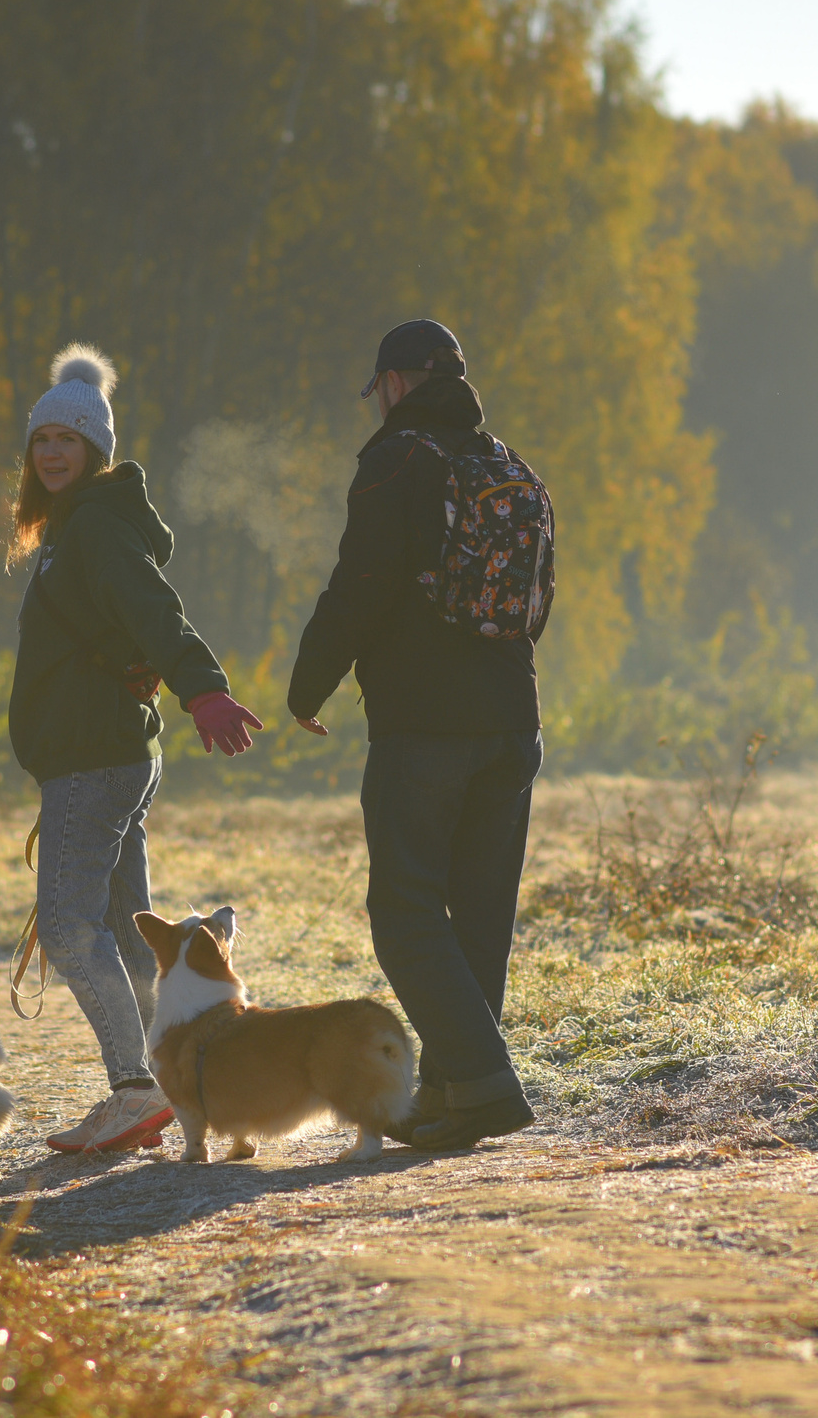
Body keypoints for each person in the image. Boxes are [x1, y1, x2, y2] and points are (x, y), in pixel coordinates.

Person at [289, 319, 547, 1150]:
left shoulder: (396, 460)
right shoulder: (507, 464)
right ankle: (450, 1091)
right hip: (512, 720)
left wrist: (309, 680)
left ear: (394, 383)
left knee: (403, 909)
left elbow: (362, 580)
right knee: (477, 915)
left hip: (425, 726)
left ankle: (486, 1082)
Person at [7, 344, 266, 1154]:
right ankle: (180, 1084)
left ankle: (134, 1087)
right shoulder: (78, 526)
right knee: (132, 932)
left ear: (96, 449)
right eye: (41, 439)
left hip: (94, 758)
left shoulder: (97, 527)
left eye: (68, 440)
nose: (52, 452)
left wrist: (204, 687)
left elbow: (157, 611)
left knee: (69, 925)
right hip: (107, 752)